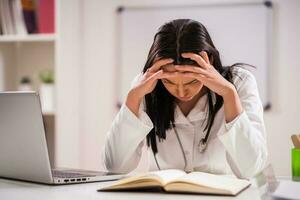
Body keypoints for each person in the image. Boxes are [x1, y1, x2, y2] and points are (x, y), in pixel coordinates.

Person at [102, 19, 268, 179]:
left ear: (208, 61)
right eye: (169, 81)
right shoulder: (146, 85)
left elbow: (251, 169)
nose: (181, 92)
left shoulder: (239, 82)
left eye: (192, 81)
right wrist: (134, 96)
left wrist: (229, 94)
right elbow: (115, 166)